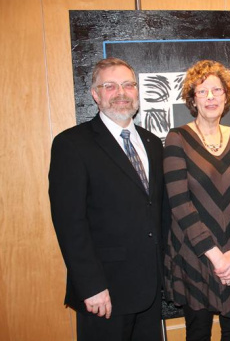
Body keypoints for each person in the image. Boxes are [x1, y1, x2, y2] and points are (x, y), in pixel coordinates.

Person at [49, 57, 167, 340]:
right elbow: (70, 224)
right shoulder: (72, 144)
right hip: (105, 294)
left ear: (137, 91)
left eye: (128, 85)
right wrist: (91, 286)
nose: (121, 93)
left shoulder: (152, 142)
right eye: (110, 86)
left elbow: (157, 211)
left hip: (151, 289)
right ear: (95, 94)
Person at [163, 60, 230, 340]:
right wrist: (216, 257)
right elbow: (180, 204)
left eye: (217, 90)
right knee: (198, 332)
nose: (210, 97)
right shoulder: (177, 138)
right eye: (202, 91)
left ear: (226, 97)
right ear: (192, 99)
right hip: (196, 255)